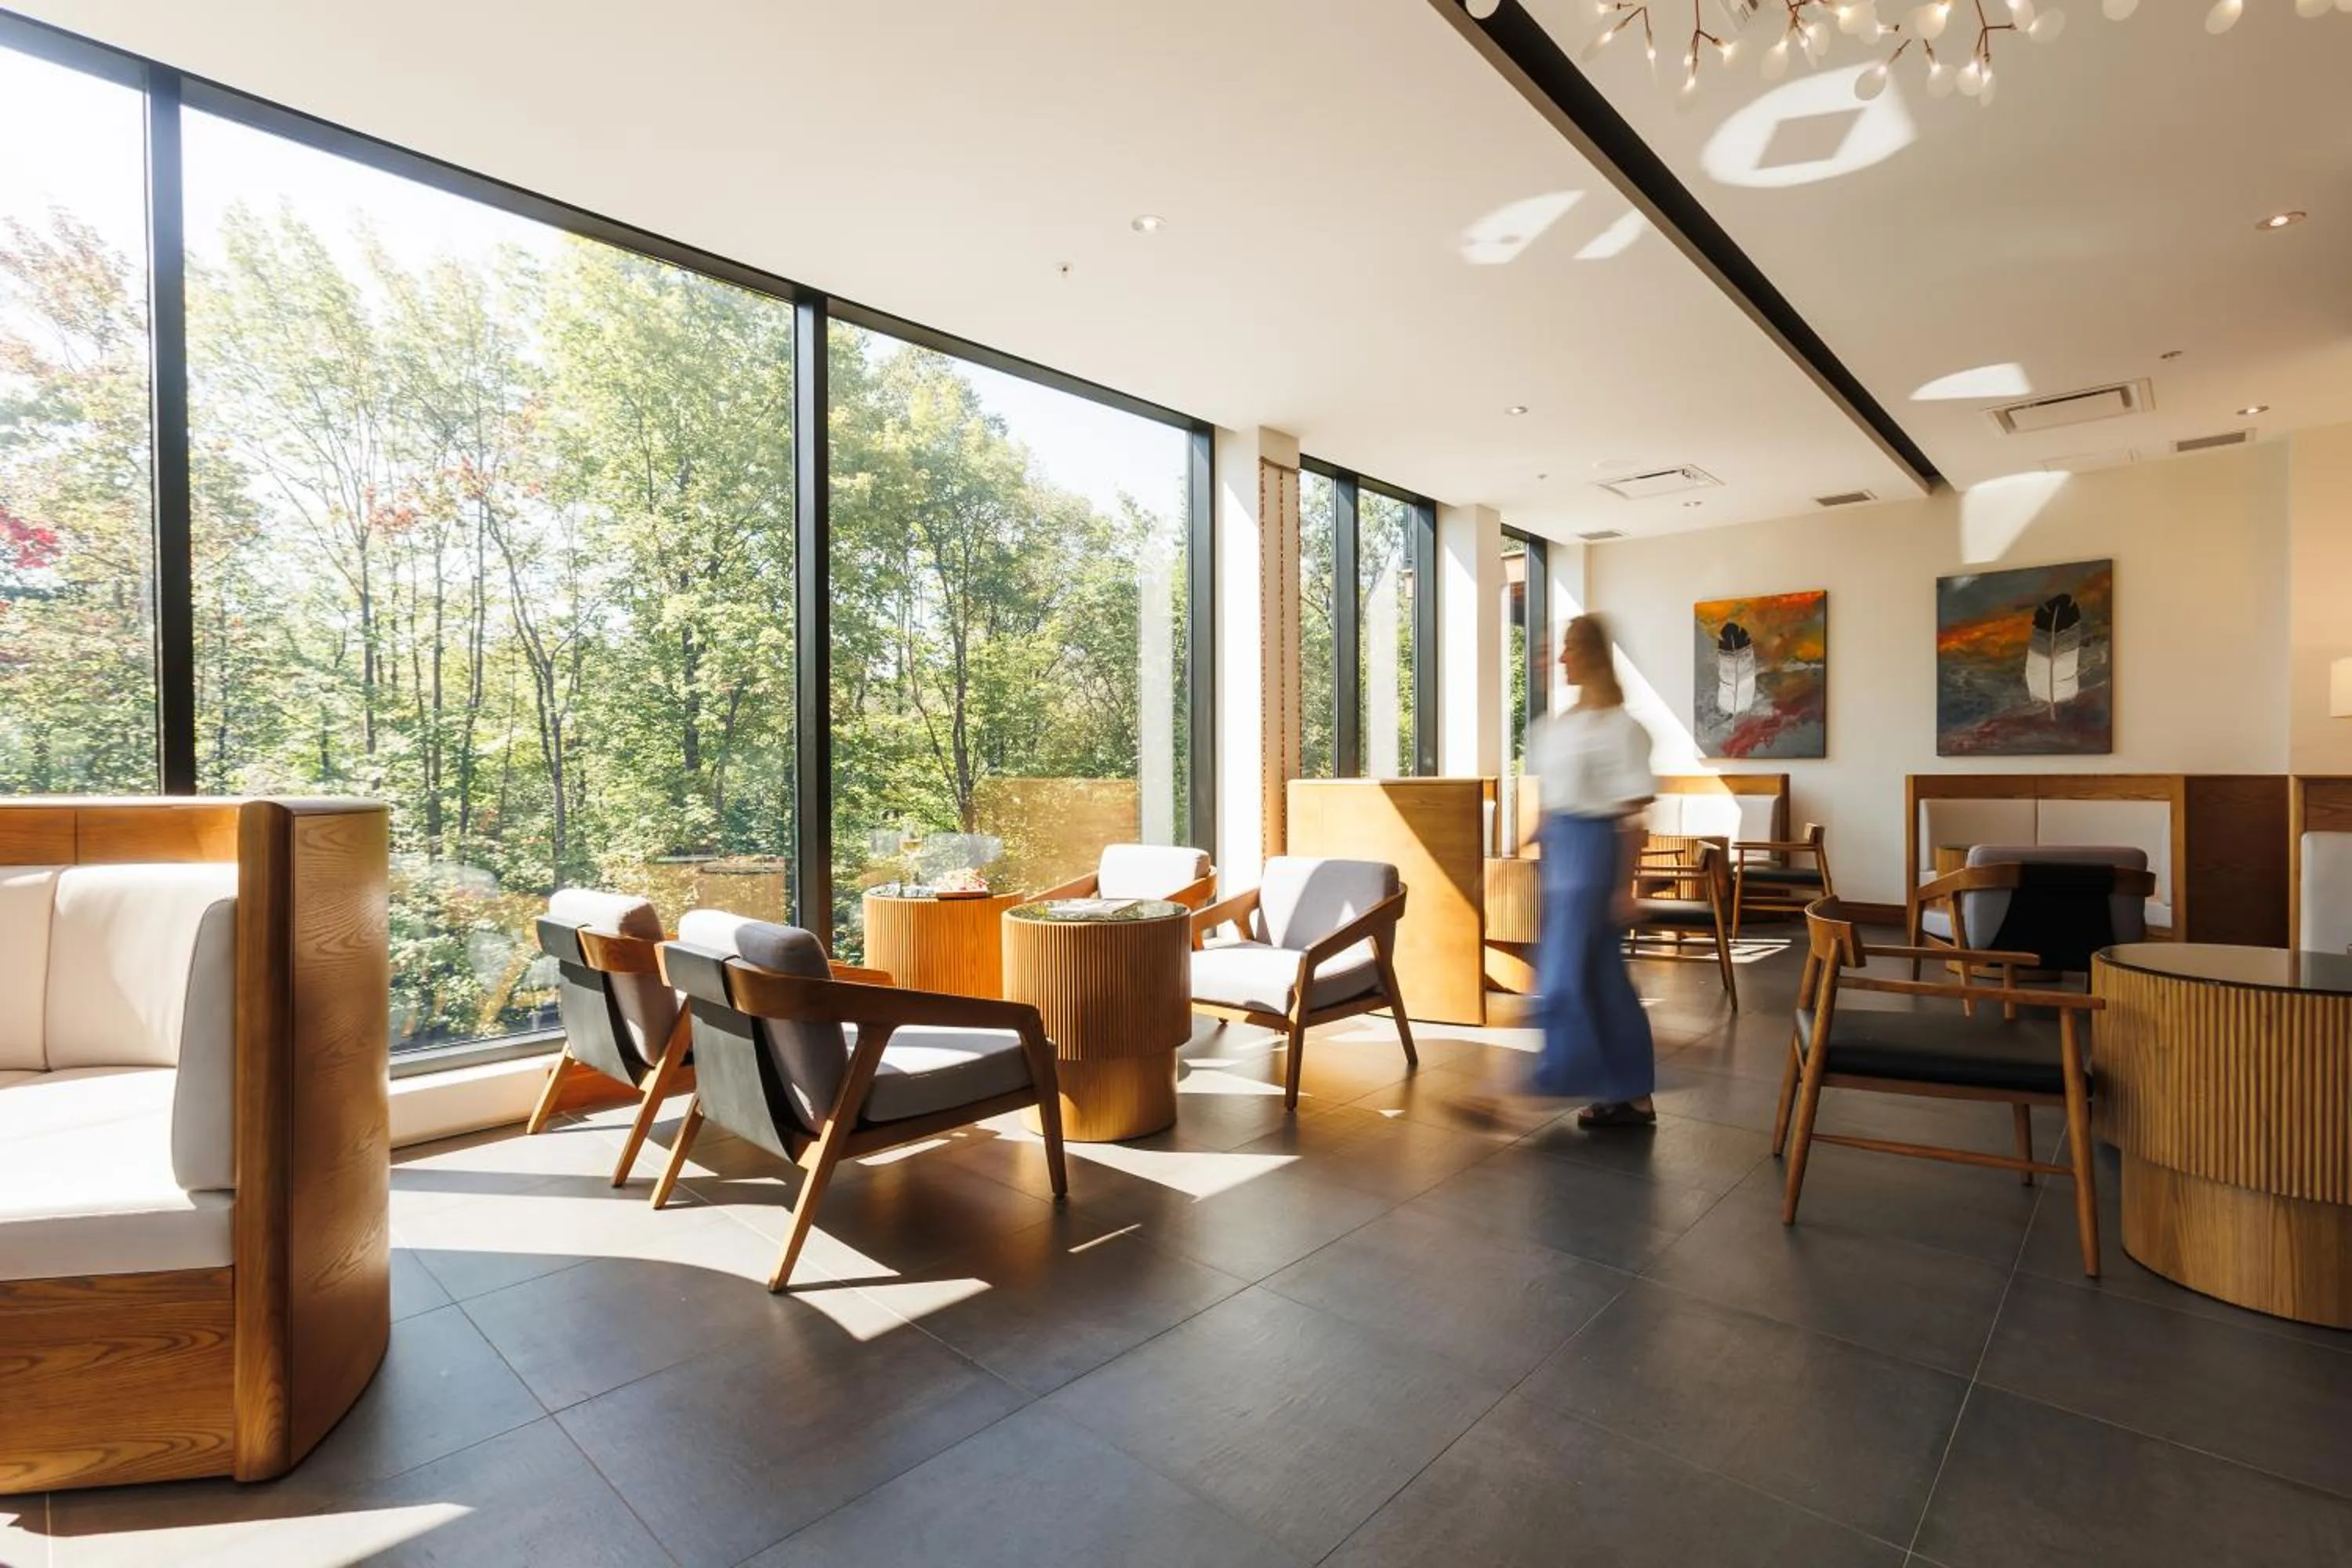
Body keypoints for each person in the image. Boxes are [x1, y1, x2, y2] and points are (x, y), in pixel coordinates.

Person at [1525, 613, 1658, 1128]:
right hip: (1560, 853)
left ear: (1595, 654)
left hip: (1593, 857)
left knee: (1563, 976)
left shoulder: (1623, 729)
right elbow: (1551, 802)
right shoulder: (1560, 726)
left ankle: (1551, 1078)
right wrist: (1530, 840)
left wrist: (1625, 887)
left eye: (1570, 647)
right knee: (1603, 976)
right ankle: (1630, 1092)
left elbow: (1633, 816)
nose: (1561, 658)